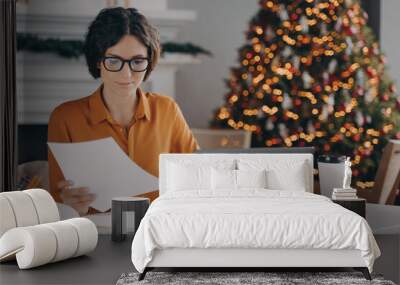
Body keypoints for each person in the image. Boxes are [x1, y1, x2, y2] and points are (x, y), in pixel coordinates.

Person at [48, 7, 199, 215]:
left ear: (149, 61)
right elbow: (57, 200)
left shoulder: (168, 110)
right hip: (94, 233)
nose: (126, 74)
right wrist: (69, 206)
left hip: (157, 230)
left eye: (137, 61)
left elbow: (196, 178)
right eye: (114, 61)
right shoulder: (65, 118)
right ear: (98, 61)